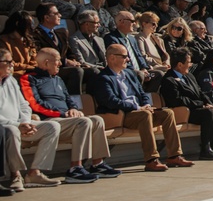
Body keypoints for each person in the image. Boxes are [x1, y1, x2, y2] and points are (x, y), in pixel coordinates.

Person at [21, 47, 120, 182]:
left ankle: (98, 164)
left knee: (97, 120)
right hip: (48, 120)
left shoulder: (58, 79)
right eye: (57, 61)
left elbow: (68, 99)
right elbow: (35, 104)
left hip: (66, 119)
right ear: (46, 63)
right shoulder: (29, 78)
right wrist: (64, 114)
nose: (61, 64)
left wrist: (74, 109)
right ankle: (75, 169)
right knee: (84, 122)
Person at [92, 44, 192, 171]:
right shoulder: (103, 78)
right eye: (124, 56)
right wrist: (137, 107)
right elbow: (111, 101)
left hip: (141, 110)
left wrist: (147, 105)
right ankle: (151, 159)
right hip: (123, 115)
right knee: (145, 115)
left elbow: (142, 93)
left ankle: (174, 155)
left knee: (167, 113)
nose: (127, 59)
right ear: (112, 58)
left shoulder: (129, 73)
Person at [0, 48, 62, 190]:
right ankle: (15, 175)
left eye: (12, 62)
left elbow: (24, 105)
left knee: (52, 127)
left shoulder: (11, 81)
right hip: (6, 127)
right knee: (11, 131)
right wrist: (17, 125)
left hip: (21, 124)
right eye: (8, 62)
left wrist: (26, 122)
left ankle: (34, 172)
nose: (12, 65)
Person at [159, 48, 213, 160]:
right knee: (208, 114)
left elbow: (200, 92)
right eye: (188, 62)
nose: (191, 65)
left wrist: (208, 103)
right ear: (180, 65)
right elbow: (177, 100)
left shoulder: (189, 76)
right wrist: (201, 105)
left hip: (198, 108)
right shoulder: (169, 79)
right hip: (185, 111)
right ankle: (205, 149)